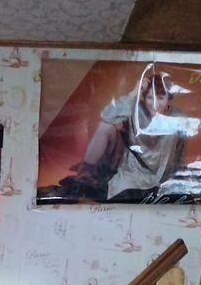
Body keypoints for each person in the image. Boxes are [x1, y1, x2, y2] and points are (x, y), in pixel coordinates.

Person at [60, 72, 187, 202]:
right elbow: (107, 116)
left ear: (169, 99)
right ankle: (84, 177)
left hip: (157, 174)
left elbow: (179, 153)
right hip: (130, 166)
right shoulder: (137, 108)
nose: (154, 103)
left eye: (160, 98)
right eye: (150, 97)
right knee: (106, 126)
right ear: (143, 99)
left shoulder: (177, 118)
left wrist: (180, 179)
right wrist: (134, 92)